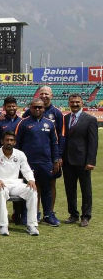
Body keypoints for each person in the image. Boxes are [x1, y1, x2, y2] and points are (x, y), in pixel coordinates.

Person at [15, 98, 62, 227]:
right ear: (30, 107)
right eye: (35, 107)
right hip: (28, 164)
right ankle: (28, 215)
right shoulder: (23, 123)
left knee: (47, 189)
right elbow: (17, 144)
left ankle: (48, 215)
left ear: (44, 108)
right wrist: (18, 163)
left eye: (40, 107)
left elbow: (55, 143)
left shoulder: (50, 124)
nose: (37, 109)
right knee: (28, 189)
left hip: (46, 163)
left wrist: (56, 159)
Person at [0, 131, 39, 236]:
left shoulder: (20, 154)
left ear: (15, 142)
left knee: (32, 190)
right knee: (0, 190)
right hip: (1, 184)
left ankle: (32, 225)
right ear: (2, 141)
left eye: (11, 140)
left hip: (16, 184)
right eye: (7, 140)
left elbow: (26, 170)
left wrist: (31, 180)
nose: (9, 142)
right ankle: (3, 225)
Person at [23, 85, 65, 218]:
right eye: (42, 93)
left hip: (49, 157)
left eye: (47, 94)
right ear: (38, 95)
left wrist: (58, 157)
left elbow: (60, 136)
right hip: (32, 158)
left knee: (50, 184)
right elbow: (19, 124)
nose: (44, 96)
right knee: (33, 184)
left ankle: (49, 212)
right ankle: (35, 212)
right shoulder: (29, 112)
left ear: (51, 96)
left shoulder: (57, 113)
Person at [62, 94, 98, 227]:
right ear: (69, 103)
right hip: (67, 161)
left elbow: (93, 143)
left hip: (83, 162)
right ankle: (73, 214)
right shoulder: (65, 118)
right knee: (70, 189)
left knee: (86, 190)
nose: (75, 104)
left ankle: (86, 216)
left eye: (77, 102)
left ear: (82, 103)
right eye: (72, 102)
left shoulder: (90, 119)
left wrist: (91, 161)